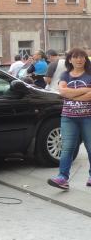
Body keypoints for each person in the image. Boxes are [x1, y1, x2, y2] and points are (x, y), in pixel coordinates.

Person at [47, 48, 91, 190]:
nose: (79, 59)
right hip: (68, 118)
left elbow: (89, 96)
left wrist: (71, 95)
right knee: (67, 148)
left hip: (88, 117)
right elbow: (62, 91)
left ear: (85, 59)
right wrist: (85, 90)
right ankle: (62, 178)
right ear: (70, 60)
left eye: (82, 57)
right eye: (75, 57)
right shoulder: (65, 75)